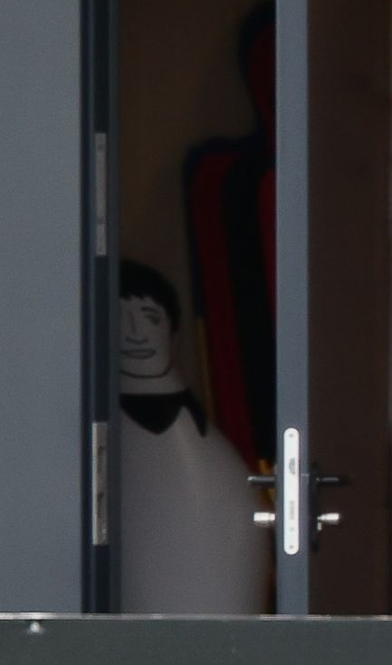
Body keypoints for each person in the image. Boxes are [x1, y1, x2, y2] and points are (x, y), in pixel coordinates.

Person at [118, 260, 269, 614]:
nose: (135, 333)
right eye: (119, 319)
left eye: (150, 318)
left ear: (172, 332)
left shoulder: (206, 451)